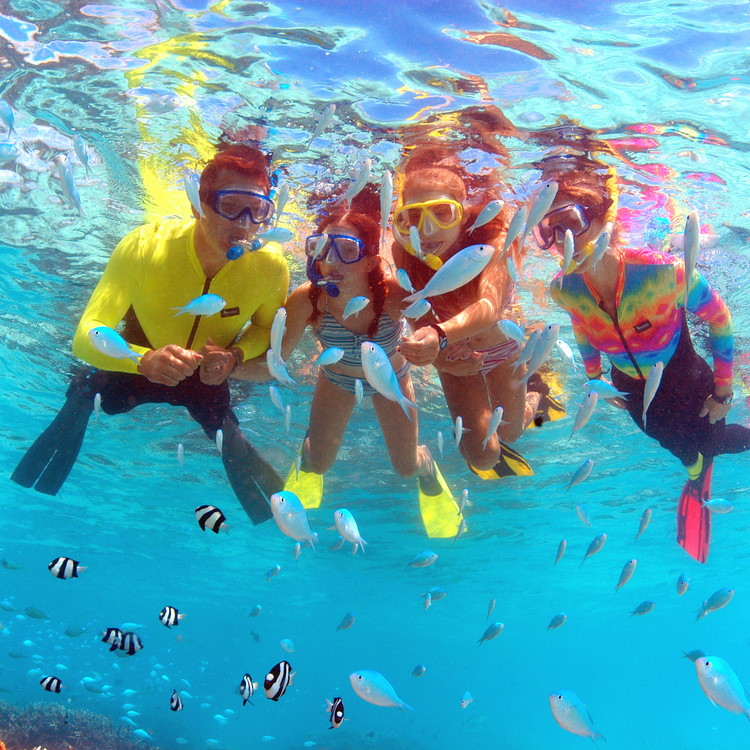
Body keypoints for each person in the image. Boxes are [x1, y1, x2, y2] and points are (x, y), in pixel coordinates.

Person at [11, 143, 290, 525]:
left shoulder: (271, 266)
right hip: (133, 363)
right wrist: (142, 359)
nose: (244, 223)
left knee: (230, 437)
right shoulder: (145, 246)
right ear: (197, 204)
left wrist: (235, 357)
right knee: (84, 391)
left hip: (207, 376)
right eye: (230, 205)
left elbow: (264, 327)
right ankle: (35, 492)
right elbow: (85, 335)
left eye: (258, 210)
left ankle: (275, 518)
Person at [537, 152, 750, 562]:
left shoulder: (663, 272)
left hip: (684, 374)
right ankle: (694, 468)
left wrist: (724, 393)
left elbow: (720, 318)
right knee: (668, 441)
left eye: (571, 224)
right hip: (628, 386)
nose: (563, 242)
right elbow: (582, 325)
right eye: (549, 232)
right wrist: (594, 379)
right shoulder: (563, 288)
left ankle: (703, 460)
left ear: (603, 220)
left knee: (709, 440)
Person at [279, 186, 461, 538]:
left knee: (406, 468)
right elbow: (276, 359)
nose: (331, 261)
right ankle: (310, 449)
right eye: (322, 248)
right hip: (336, 380)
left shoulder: (393, 295)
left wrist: (440, 352)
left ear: (371, 261)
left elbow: (434, 336)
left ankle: (426, 463)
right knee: (319, 463)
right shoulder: (309, 298)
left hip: (392, 380)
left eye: (347, 250)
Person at [392, 144, 563, 479]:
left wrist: (439, 334)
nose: (427, 229)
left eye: (442, 212)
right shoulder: (404, 251)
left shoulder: (494, 237)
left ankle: (536, 394)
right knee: (482, 456)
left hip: (501, 346)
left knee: (511, 431)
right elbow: (414, 311)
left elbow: (489, 307)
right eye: (413, 216)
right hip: (452, 353)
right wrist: (438, 358)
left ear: (464, 211)